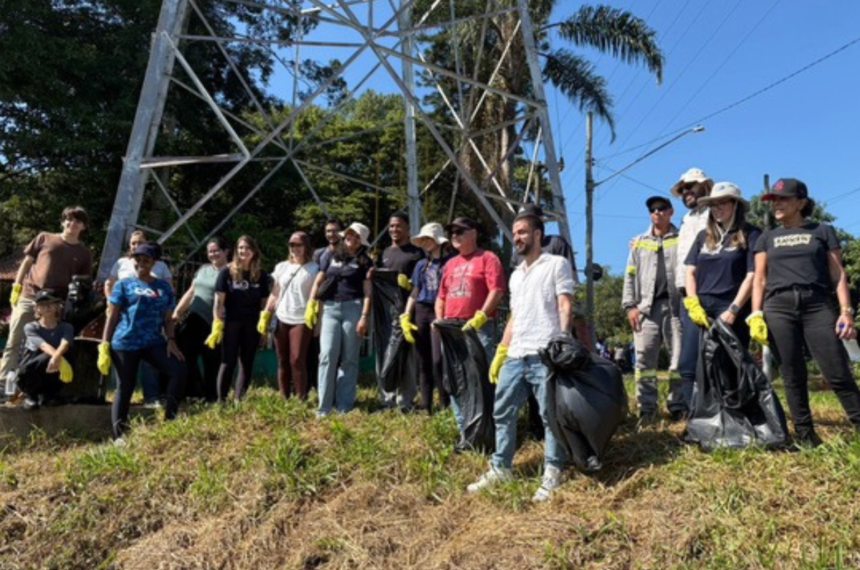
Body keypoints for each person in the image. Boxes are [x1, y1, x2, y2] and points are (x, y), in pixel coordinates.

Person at [467, 208, 574, 502]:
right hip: (516, 353)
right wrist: (502, 349)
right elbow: (515, 316)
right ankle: (501, 466)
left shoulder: (556, 264)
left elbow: (565, 303)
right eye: (514, 234)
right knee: (502, 411)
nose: (517, 238)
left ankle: (553, 469)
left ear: (538, 234)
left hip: (544, 351)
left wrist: (563, 338)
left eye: (523, 232)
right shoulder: (515, 275)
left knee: (549, 415)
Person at [750, 178, 860, 445]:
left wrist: (845, 311)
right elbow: (760, 279)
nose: (776, 204)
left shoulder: (823, 231)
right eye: (773, 200)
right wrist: (755, 314)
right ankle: (805, 435)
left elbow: (838, 275)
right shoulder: (767, 238)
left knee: (836, 370)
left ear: (801, 202)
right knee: (791, 372)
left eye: (783, 198)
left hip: (817, 304)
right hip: (778, 306)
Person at [98, 244, 185, 442]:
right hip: (125, 342)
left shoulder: (163, 288)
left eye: (146, 260)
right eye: (137, 259)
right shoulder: (123, 284)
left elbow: (167, 318)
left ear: (154, 262)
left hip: (152, 342)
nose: (141, 263)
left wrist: (171, 340)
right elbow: (112, 316)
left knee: (178, 370)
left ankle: (170, 420)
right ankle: (119, 436)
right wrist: (104, 344)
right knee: (125, 387)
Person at [1, 206, 92, 397]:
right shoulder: (45, 238)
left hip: (57, 303)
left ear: (83, 226)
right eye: (68, 219)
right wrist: (16, 287)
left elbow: (83, 282)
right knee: (15, 340)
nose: (72, 223)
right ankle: (4, 385)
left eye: (77, 220)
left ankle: (40, 388)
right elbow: (26, 263)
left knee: (51, 345)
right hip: (30, 295)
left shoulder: (84, 253)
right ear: (62, 221)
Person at [435, 216, 505, 443]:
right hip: (452, 329)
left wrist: (482, 315)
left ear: (473, 233)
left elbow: (496, 290)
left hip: (478, 328)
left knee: (481, 379)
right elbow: (441, 296)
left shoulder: (487, 258)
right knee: (456, 380)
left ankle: (487, 431)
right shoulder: (450, 264)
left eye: (460, 231)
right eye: (452, 232)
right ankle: (465, 432)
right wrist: (439, 321)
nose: (454, 235)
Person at [621, 196, 684, 420]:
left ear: (671, 211)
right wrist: (630, 306)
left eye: (661, 209)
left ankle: (678, 406)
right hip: (646, 309)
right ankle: (646, 409)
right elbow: (629, 276)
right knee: (644, 360)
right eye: (653, 210)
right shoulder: (638, 242)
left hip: (676, 307)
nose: (657, 213)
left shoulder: (682, 238)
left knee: (678, 359)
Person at [306, 222, 373, 416]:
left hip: (353, 307)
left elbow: (368, 292)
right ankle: (324, 406)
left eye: (356, 236)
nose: (351, 238)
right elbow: (319, 279)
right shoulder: (331, 255)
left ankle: (344, 404)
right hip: (330, 308)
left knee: (349, 358)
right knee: (326, 355)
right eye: (349, 234)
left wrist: (364, 317)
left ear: (362, 240)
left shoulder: (365, 262)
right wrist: (312, 302)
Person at [683, 182, 761, 348]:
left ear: (736, 205)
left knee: (728, 365)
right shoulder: (703, 236)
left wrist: (734, 309)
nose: (716, 208)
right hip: (701, 303)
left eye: (722, 203)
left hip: (730, 303)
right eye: (713, 204)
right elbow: (690, 271)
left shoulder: (751, 234)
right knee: (688, 365)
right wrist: (692, 302)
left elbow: (752, 275)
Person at [105, 230, 173, 406]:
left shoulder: (160, 267)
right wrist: (111, 302)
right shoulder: (121, 263)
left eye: (140, 242)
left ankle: (151, 397)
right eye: (133, 243)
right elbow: (109, 284)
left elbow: (168, 293)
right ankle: (121, 403)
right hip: (125, 323)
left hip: (150, 326)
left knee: (151, 363)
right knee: (125, 374)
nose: (136, 246)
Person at [206, 235, 270, 403]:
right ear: (236, 250)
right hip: (231, 322)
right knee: (228, 361)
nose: (244, 251)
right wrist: (217, 324)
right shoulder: (226, 272)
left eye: (247, 248)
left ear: (254, 251)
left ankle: (239, 399)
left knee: (247, 361)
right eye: (241, 248)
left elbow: (264, 304)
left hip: (252, 324)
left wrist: (264, 327)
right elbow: (219, 301)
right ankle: (221, 400)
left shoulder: (261, 275)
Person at [671, 168, 714, 413]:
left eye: (691, 187)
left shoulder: (713, 214)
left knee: (709, 359)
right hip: (685, 295)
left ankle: (716, 412)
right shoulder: (687, 220)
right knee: (687, 362)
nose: (686, 192)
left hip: (707, 293)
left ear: (704, 186)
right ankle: (695, 416)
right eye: (683, 189)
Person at [400, 222, 453, 414]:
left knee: (439, 360)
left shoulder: (450, 262)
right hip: (421, 309)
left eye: (429, 238)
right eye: (423, 239)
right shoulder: (421, 265)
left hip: (441, 310)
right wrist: (406, 313)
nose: (426, 242)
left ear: (438, 240)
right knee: (423, 360)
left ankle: (445, 403)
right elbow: (415, 291)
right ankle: (426, 405)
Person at [373, 212, 424, 411]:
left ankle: (406, 400)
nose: (394, 230)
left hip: (407, 311)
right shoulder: (384, 253)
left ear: (408, 228)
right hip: (385, 313)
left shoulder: (416, 253)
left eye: (399, 226)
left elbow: (421, 283)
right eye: (392, 226)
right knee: (386, 353)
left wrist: (409, 284)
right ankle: (387, 397)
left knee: (407, 356)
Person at [262, 231, 319, 400]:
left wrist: (318, 319)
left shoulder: (314, 268)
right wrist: (266, 312)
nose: (295, 248)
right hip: (281, 316)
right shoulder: (282, 267)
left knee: (297, 359)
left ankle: (301, 396)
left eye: (299, 244)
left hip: (302, 318)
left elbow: (317, 296)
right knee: (282, 360)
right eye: (292, 244)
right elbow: (275, 292)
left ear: (306, 246)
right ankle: (284, 396)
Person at [173, 237, 229, 402]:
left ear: (226, 251)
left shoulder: (231, 271)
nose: (213, 254)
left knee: (211, 361)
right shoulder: (203, 269)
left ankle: (211, 396)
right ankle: (193, 391)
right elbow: (191, 292)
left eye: (216, 250)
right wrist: (177, 312)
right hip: (194, 319)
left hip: (214, 323)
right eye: (210, 251)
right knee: (185, 356)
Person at [17, 289, 74, 410]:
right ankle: (30, 395)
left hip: (53, 372)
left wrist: (57, 358)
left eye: (51, 303)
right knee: (47, 357)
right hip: (30, 374)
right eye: (42, 305)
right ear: (36, 308)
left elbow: (65, 344)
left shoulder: (66, 327)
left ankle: (49, 394)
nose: (47, 307)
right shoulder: (31, 327)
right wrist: (58, 358)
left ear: (57, 306)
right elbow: (43, 345)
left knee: (65, 356)